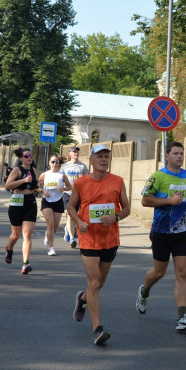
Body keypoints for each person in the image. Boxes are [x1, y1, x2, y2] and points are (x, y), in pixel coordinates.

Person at [67, 144, 130, 345]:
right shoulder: (81, 183)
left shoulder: (118, 182)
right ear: (91, 160)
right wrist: (79, 222)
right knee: (94, 282)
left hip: (110, 239)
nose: (103, 159)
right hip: (88, 238)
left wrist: (116, 217)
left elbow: (127, 208)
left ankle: (82, 298)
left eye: (106, 156)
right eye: (99, 156)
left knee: (99, 284)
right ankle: (97, 329)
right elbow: (70, 207)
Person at [137, 141, 186, 332]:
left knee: (183, 272)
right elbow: (145, 200)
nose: (180, 156)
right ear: (167, 156)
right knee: (159, 273)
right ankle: (144, 290)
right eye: (176, 153)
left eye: (181, 153)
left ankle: (182, 317)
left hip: (182, 231)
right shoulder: (157, 177)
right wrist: (169, 201)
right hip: (161, 231)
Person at [4, 148, 39, 274]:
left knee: (27, 234)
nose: (29, 158)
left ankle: (26, 263)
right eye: (26, 156)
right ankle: (10, 249)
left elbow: (35, 185)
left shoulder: (34, 170)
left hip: (30, 201)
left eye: (31, 155)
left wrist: (40, 188)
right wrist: (23, 180)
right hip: (17, 201)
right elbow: (7, 186)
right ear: (21, 158)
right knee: (15, 235)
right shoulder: (17, 170)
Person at [38, 155, 72, 256]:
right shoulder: (44, 174)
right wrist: (43, 191)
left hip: (58, 201)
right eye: (53, 162)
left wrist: (63, 189)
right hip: (47, 200)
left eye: (56, 162)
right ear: (49, 163)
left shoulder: (62, 175)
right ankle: (51, 248)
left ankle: (47, 235)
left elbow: (70, 186)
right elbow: (36, 186)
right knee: (50, 223)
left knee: (55, 227)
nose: (55, 164)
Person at [60, 146, 89, 247]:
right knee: (70, 214)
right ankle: (72, 239)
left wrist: (82, 179)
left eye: (77, 151)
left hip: (78, 194)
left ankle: (68, 229)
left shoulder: (83, 166)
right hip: (67, 193)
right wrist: (64, 187)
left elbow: (88, 180)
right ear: (70, 154)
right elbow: (61, 179)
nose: (76, 153)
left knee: (76, 215)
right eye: (74, 152)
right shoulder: (64, 166)